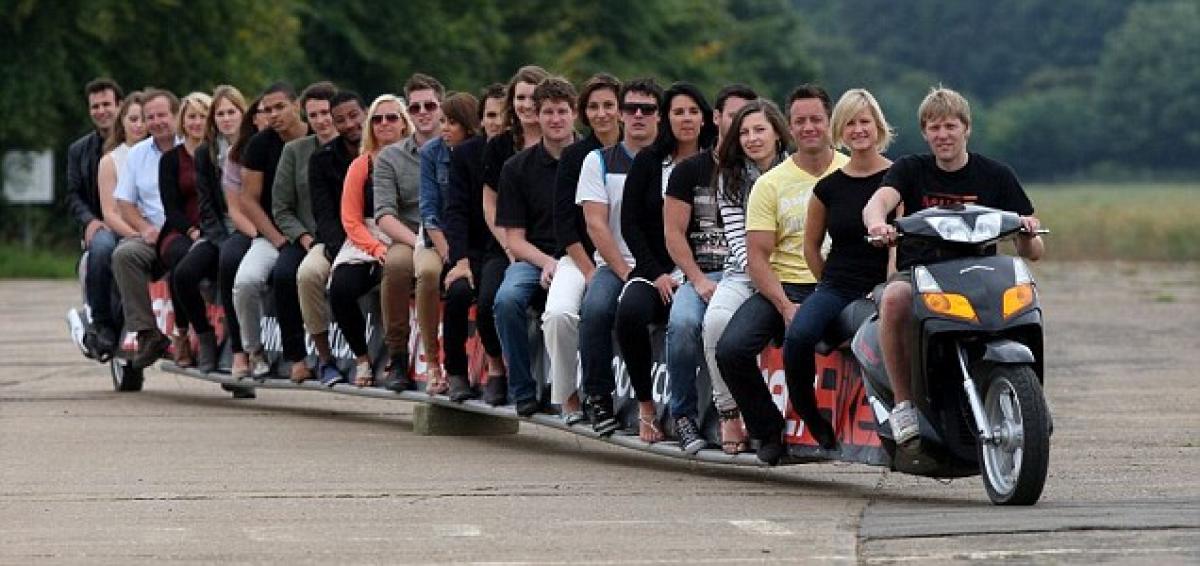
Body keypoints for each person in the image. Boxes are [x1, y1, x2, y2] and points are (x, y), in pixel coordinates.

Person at [862, 86, 1043, 446]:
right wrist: (877, 224)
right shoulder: (910, 169)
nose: (942, 135)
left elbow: (1033, 248)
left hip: (979, 277)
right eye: (934, 128)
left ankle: (1033, 402)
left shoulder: (997, 175)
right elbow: (877, 202)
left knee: (1026, 299)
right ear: (925, 133)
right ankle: (903, 405)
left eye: (950, 126)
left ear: (966, 129)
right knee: (894, 298)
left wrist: (1027, 232)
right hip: (921, 276)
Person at [716, 84, 849, 465]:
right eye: (800, 121)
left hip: (838, 284)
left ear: (830, 124)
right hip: (784, 284)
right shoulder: (770, 183)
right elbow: (757, 257)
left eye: (816, 120)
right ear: (789, 128)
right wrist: (784, 304)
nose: (808, 128)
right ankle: (767, 429)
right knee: (731, 349)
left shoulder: (851, 171)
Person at [613, 82, 717, 443]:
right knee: (629, 313)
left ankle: (704, 413)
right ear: (665, 119)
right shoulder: (649, 161)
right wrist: (656, 272)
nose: (686, 119)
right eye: (678, 112)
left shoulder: (719, 161)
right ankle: (645, 406)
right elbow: (630, 223)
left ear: (705, 118)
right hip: (655, 267)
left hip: (706, 267)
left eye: (692, 111)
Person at [661, 83, 758, 454]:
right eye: (733, 116)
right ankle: (682, 415)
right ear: (716, 118)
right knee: (684, 323)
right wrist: (698, 279)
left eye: (749, 119)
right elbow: (673, 232)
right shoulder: (689, 170)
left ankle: (746, 416)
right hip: (698, 271)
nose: (740, 126)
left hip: (746, 273)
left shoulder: (758, 169)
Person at [573, 77, 663, 434]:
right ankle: (597, 396)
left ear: (660, 115)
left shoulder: (670, 162)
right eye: (631, 108)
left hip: (662, 263)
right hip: (616, 262)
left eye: (648, 109)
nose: (639, 115)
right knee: (595, 309)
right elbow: (596, 225)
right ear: (621, 114)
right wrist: (624, 271)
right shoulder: (598, 161)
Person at [493, 76, 578, 416]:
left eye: (561, 111)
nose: (555, 119)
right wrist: (547, 262)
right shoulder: (516, 168)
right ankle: (523, 388)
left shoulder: (592, 158)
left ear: (574, 114)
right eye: (547, 112)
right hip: (534, 257)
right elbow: (514, 239)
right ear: (537, 116)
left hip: (584, 256)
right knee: (506, 299)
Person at [543, 72, 621, 424]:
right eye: (594, 107)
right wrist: (589, 271)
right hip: (580, 258)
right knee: (559, 314)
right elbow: (564, 223)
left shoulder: (642, 150)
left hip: (629, 258)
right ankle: (568, 395)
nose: (602, 113)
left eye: (608, 105)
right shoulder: (576, 155)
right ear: (583, 113)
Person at [328, 95, 414, 386]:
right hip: (366, 238)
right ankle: (362, 358)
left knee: (394, 277)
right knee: (340, 288)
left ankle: (398, 356)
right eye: (377, 119)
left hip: (407, 234)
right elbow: (350, 219)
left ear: (404, 123)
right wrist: (375, 247)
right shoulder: (361, 164)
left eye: (392, 117)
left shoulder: (418, 158)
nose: (384, 124)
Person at [478, 65, 549, 405]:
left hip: (556, 248)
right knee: (496, 298)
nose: (527, 104)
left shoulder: (569, 145)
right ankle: (510, 381)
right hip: (505, 243)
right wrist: (510, 246)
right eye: (520, 97)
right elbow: (489, 204)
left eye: (534, 97)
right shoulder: (500, 148)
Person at [370, 74, 445, 392]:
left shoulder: (456, 147)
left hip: (449, 230)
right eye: (415, 108)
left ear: (441, 107)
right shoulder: (390, 156)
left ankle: (434, 360)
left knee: (428, 273)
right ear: (409, 115)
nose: (423, 112)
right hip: (408, 232)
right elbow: (384, 214)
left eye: (430, 105)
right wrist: (418, 240)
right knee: (397, 266)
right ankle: (398, 356)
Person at [232, 82, 312, 379]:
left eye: (280, 107)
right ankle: (254, 351)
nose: (274, 115)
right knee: (246, 282)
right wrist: (277, 239)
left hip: (314, 231)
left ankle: (303, 357)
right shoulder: (260, 144)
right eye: (267, 110)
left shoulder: (316, 136)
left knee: (288, 277)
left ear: (296, 106)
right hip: (273, 234)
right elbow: (248, 200)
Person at [170, 85, 247, 373]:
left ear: (242, 113)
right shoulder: (206, 153)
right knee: (184, 274)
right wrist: (218, 238)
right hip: (218, 231)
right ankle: (203, 335)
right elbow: (206, 206)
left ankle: (237, 346)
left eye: (232, 112)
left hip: (247, 230)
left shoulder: (253, 146)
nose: (226, 119)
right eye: (221, 114)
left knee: (229, 268)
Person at [440, 94, 508, 402]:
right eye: (490, 115)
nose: (496, 122)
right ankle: (455, 372)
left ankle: (497, 371)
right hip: (474, 247)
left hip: (507, 247)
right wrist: (461, 259)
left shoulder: (514, 150)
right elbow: (454, 211)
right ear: (480, 120)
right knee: (457, 293)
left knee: (488, 301)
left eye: (501, 115)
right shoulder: (466, 154)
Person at [270, 81, 339, 382]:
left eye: (326, 112)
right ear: (305, 117)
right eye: (314, 115)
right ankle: (297, 357)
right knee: (284, 274)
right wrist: (304, 238)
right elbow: (281, 207)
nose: (322, 120)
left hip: (345, 235)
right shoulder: (294, 151)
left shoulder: (355, 146)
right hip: (305, 236)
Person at [109, 88, 180, 369]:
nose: (157, 122)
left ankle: (207, 338)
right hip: (153, 236)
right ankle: (147, 332)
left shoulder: (193, 147)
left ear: (176, 115)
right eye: (150, 117)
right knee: (124, 254)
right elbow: (124, 202)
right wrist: (143, 228)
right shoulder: (138, 154)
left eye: (162, 115)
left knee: (190, 257)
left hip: (187, 233)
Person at [301, 90, 366, 386]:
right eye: (341, 120)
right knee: (308, 274)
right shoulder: (322, 159)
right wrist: (343, 248)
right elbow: (324, 214)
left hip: (377, 234)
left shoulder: (383, 152)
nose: (349, 124)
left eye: (354, 116)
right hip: (338, 237)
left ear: (365, 112)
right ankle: (325, 358)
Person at [416, 91, 477, 395]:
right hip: (436, 239)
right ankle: (440, 366)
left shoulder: (482, 153)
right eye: (443, 122)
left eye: (451, 122)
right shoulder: (431, 153)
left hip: (473, 241)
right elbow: (430, 213)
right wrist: (453, 258)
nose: (444, 129)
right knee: (433, 276)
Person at [156, 92, 213, 367]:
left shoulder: (218, 153)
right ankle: (182, 333)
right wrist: (191, 232)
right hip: (179, 230)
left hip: (213, 228)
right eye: (192, 116)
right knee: (181, 263)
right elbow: (171, 208)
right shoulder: (171, 159)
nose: (197, 122)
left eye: (203, 116)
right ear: (183, 120)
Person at [69, 78, 125, 359]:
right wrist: (89, 220)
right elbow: (73, 194)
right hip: (101, 225)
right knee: (102, 249)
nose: (101, 111)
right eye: (95, 106)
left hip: (136, 222)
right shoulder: (79, 150)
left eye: (107, 104)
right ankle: (101, 325)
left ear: (120, 106)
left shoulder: (136, 144)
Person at [218, 96, 265, 378]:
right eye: (261, 112)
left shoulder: (290, 146)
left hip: (283, 229)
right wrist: (259, 234)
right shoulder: (238, 154)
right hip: (249, 227)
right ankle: (239, 350)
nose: (267, 117)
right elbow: (235, 208)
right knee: (230, 258)